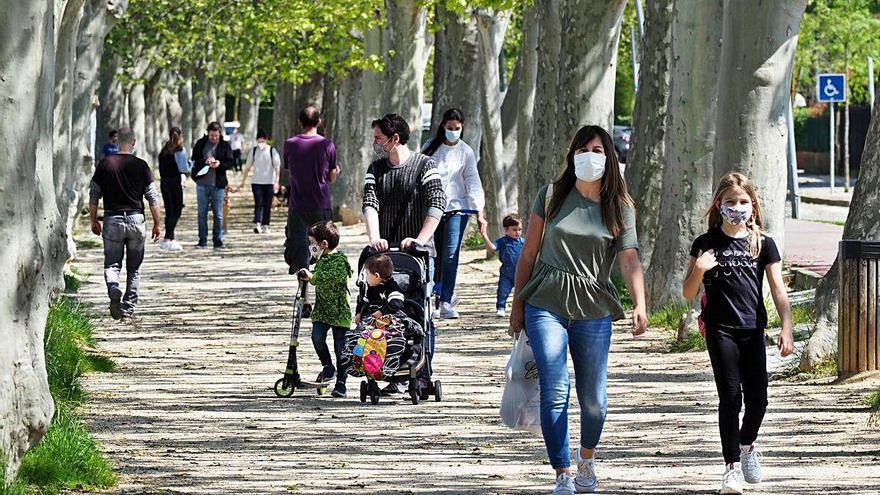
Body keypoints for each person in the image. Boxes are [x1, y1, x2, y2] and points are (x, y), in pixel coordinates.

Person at [509, 125, 648, 495]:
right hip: (545, 302)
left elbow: (629, 258)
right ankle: (562, 472)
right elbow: (529, 253)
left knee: (595, 401)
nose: (591, 154)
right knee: (555, 388)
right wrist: (517, 304)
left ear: (611, 157)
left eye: (599, 149)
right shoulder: (552, 195)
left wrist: (640, 303)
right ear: (573, 154)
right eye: (584, 148)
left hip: (593, 308)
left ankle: (587, 458)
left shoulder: (619, 207)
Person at [682, 172, 794, 495]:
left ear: (753, 206)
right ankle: (731, 467)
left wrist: (786, 326)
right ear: (719, 204)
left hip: (753, 329)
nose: (737, 207)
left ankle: (747, 445)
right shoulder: (705, 244)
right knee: (731, 397)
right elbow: (688, 292)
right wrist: (699, 270)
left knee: (759, 399)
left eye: (743, 202)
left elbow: (777, 289)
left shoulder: (763, 244)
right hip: (720, 330)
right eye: (731, 202)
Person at [362, 113, 446, 394]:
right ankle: (387, 370)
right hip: (385, 257)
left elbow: (436, 202)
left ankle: (420, 371)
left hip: (415, 257)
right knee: (382, 313)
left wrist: (420, 239)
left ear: (394, 138)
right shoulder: (376, 168)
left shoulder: (425, 165)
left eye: (378, 138)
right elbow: (370, 202)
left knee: (418, 313)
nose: (375, 143)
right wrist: (375, 238)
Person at [88, 127, 161, 319]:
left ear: (116, 141)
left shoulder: (105, 164)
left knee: (112, 264)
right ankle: (128, 306)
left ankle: (113, 288)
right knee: (134, 267)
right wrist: (157, 224)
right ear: (134, 143)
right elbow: (153, 197)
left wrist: (93, 220)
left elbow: (94, 195)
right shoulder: (142, 165)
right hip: (136, 220)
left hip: (112, 219)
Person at [422, 108, 486, 319]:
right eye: (449, 128)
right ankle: (436, 294)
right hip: (433, 208)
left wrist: (479, 211)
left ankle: (446, 301)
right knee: (436, 255)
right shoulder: (431, 148)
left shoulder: (466, 152)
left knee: (451, 254)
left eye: (457, 129)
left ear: (462, 128)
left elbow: (472, 181)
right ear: (443, 126)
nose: (453, 132)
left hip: (457, 209)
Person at [297, 221, 352, 399]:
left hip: (339, 311)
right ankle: (328, 366)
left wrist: (312, 276)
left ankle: (341, 383)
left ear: (323, 244)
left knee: (340, 348)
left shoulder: (340, 261)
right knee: (317, 337)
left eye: (312, 243)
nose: (310, 247)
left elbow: (329, 277)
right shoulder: (320, 259)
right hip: (322, 310)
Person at [284, 105, 340, 274]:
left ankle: (303, 287)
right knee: (323, 244)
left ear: (300, 122)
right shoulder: (327, 145)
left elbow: (290, 170)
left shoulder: (290, 144)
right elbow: (330, 178)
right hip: (320, 203)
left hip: (297, 204)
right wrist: (335, 172)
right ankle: (321, 280)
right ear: (319, 122)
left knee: (300, 245)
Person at [191, 121, 235, 249]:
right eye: (211, 136)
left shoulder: (224, 146)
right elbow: (194, 160)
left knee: (218, 214)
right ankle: (202, 240)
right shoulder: (201, 144)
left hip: (218, 184)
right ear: (208, 133)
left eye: (216, 135)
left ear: (220, 134)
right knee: (202, 213)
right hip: (202, 183)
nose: (214, 138)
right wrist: (205, 161)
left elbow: (230, 162)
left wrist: (219, 164)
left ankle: (218, 240)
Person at [480, 213, 524, 318]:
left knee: (523, 294)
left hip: (521, 273)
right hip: (506, 273)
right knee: (502, 292)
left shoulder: (523, 242)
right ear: (506, 229)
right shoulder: (502, 241)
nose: (517, 232)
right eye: (514, 229)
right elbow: (492, 248)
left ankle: (523, 311)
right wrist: (484, 235)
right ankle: (501, 308)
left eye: (520, 229)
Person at [238, 129, 281, 234]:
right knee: (258, 203)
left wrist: (277, 181)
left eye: (262, 141)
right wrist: (243, 181)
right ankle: (257, 223)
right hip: (256, 181)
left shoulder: (272, 151)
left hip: (269, 182)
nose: (260, 143)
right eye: (259, 141)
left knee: (267, 204)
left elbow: (277, 167)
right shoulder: (253, 151)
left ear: (266, 140)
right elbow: (247, 167)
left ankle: (266, 224)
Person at [157, 127, 188, 251]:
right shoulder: (180, 150)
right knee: (177, 209)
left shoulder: (164, 150)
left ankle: (170, 238)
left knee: (169, 210)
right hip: (174, 182)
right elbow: (183, 168)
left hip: (164, 182)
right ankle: (167, 237)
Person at [354, 255, 405, 325]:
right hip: (370, 320)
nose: (366, 278)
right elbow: (362, 300)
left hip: (388, 321)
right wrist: (358, 312)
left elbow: (397, 302)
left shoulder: (391, 286)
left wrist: (382, 312)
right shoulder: (368, 286)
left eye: (367, 274)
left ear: (376, 276)